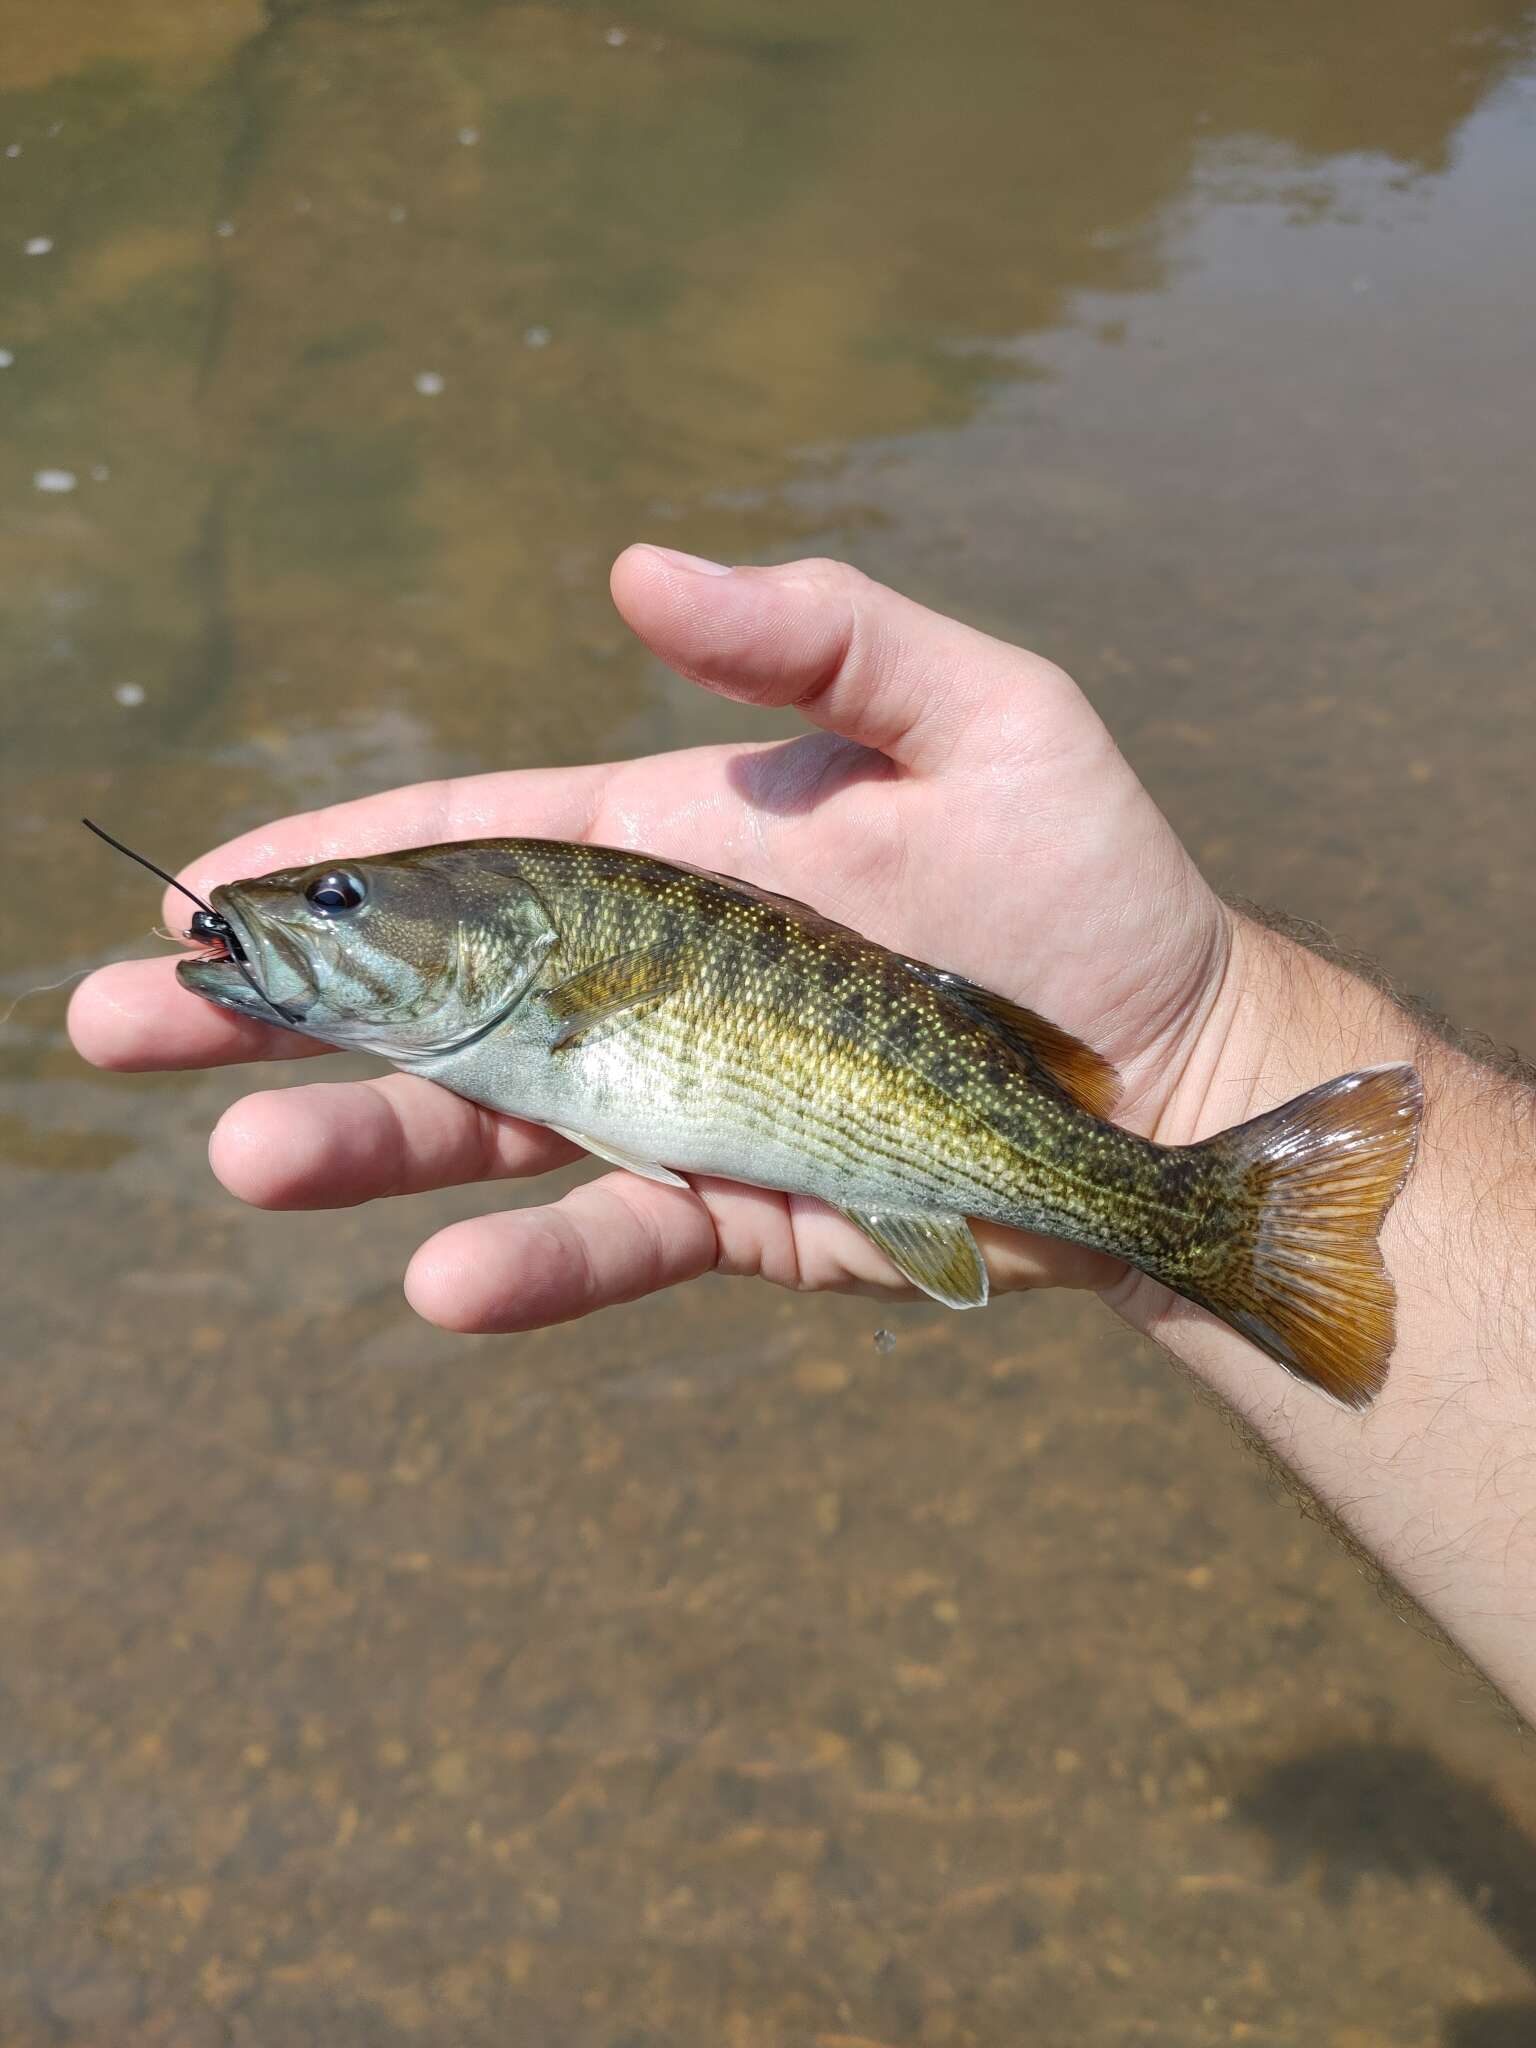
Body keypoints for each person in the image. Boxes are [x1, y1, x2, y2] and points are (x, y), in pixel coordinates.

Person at [69, 548, 1536, 1713]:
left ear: (497, 938)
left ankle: (1212, 1219)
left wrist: (1209, 1030)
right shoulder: (500, 977)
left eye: (340, 902)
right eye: (332, 901)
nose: (306, 916)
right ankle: (1217, 1226)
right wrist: (1220, 1037)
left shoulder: (547, 962)